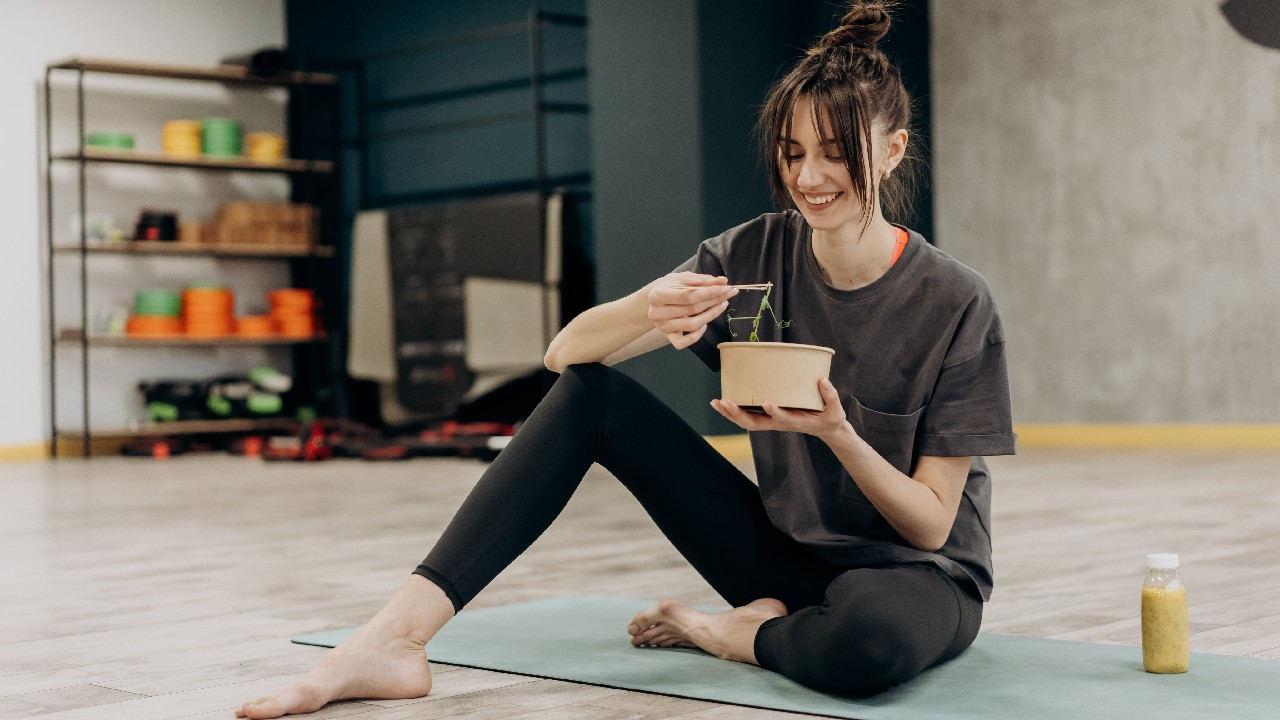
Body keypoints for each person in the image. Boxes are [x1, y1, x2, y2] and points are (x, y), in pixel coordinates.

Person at [236, 2, 1015, 717]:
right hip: (787, 561)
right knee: (590, 398)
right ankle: (395, 638)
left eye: (835, 154)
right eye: (792, 152)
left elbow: (929, 524)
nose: (808, 178)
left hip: (916, 580)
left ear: (892, 150)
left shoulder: (956, 303)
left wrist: (838, 433)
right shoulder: (750, 255)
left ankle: (725, 634)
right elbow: (564, 355)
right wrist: (652, 305)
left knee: (866, 649)